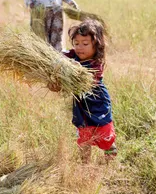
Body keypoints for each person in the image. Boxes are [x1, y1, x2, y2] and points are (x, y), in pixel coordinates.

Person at [48, 19, 117, 163]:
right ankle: (85, 164)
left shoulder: (95, 64)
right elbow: (60, 56)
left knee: (105, 134)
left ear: (96, 45)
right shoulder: (73, 56)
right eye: (76, 43)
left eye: (85, 44)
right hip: (81, 105)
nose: (80, 48)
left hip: (97, 104)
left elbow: (83, 77)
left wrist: (69, 67)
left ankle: (109, 161)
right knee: (84, 136)